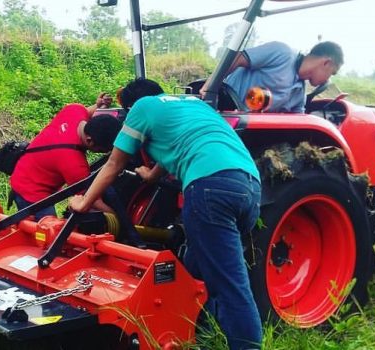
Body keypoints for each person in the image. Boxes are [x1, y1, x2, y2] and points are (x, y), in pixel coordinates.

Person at [69, 78, 263, 350]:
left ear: (131, 105)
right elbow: (182, 142)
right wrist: (151, 174)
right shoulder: (191, 103)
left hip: (209, 189)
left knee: (230, 287)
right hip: (249, 187)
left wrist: (84, 203)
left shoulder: (142, 107)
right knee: (195, 269)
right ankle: (195, 334)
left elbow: (114, 163)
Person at [10, 93, 121, 220]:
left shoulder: (75, 110)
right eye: (102, 150)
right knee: (50, 232)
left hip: (24, 169)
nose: (104, 152)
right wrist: (121, 220)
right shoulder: (74, 163)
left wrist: (98, 105)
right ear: (89, 141)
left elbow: (87, 112)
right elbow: (91, 201)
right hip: (31, 190)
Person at [219, 41, 343, 113]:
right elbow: (237, 58)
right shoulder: (281, 53)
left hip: (245, 129)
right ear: (326, 63)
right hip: (223, 110)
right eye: (332, 73)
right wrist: (210, 87)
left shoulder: (299, 94)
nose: (328, 80)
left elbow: (299, 123)